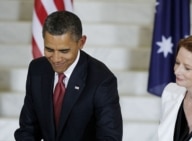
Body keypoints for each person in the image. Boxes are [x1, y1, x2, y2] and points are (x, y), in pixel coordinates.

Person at [14, 11, 123, 141]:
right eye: (49, 49)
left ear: (81, 42)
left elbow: (110, 137)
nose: (56, 59)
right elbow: (27, 129)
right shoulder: (37, 69)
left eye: (64, 51)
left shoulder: (102, 80)